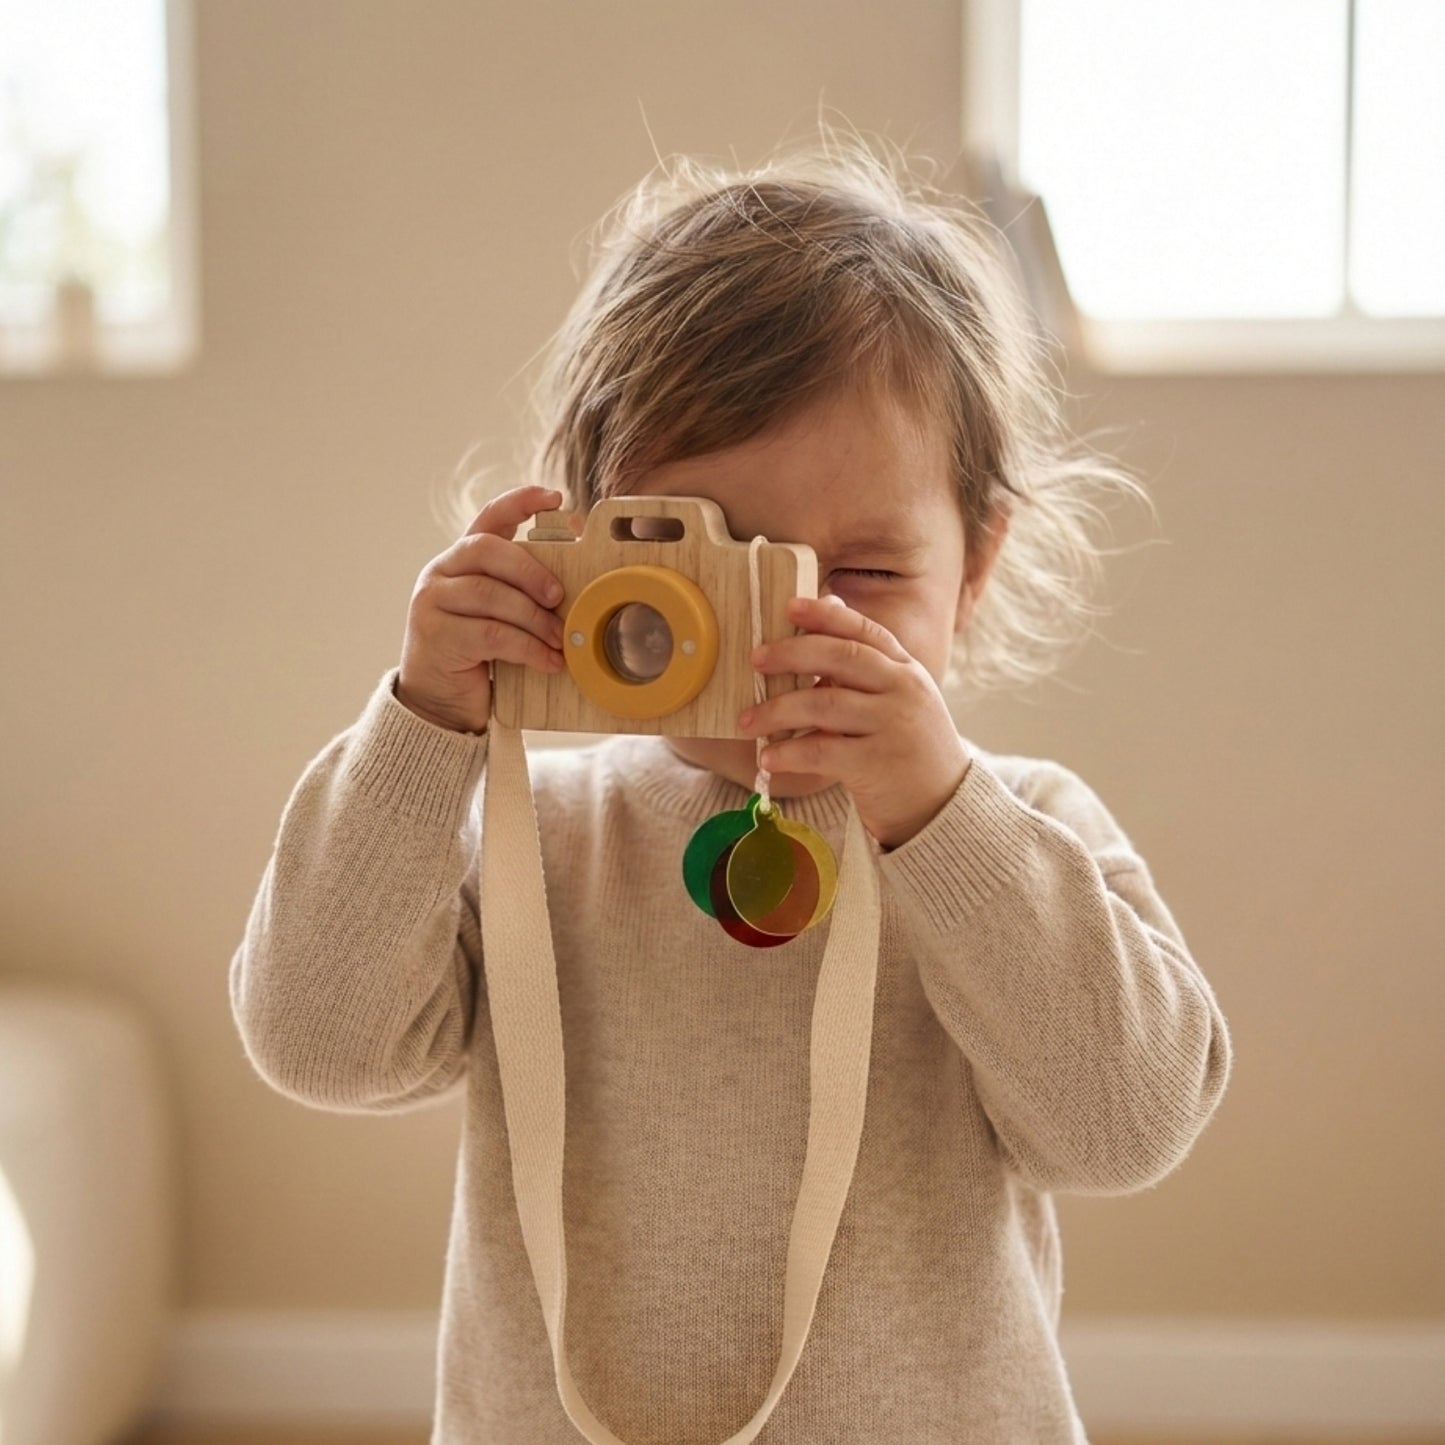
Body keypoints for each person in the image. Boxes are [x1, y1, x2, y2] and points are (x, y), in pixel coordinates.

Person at [232, 138, 1231, 1443]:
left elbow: (1122, 1125)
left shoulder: (1014, 828)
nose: (786, 626)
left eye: (862, 575)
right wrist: (426, 723)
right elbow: (321, 1044)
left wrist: (941, 816)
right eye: (718, 559)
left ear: (974, 565)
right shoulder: (545, 834)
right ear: (587, 544)